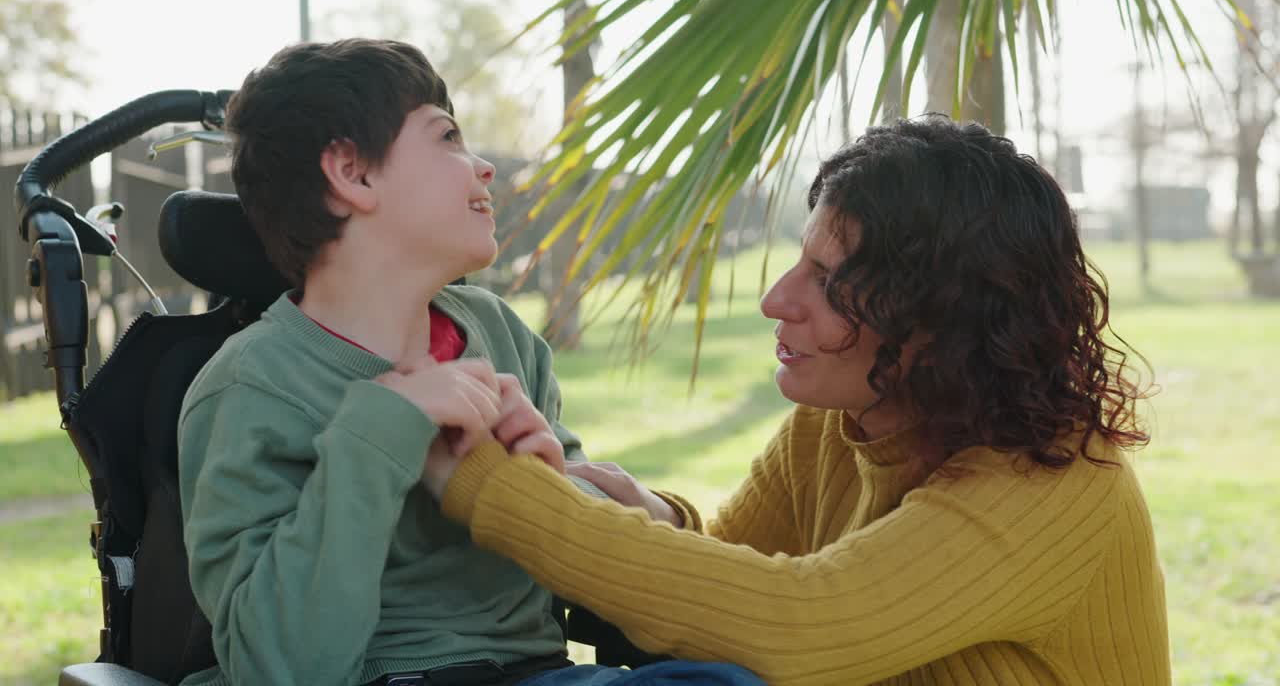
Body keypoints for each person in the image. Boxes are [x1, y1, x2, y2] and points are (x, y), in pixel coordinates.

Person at [423, 116, 1171, 685]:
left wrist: (485, 484)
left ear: (941, 323)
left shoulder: (1054, 482)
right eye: (800, 260)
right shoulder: (840, 422)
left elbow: (798, 620)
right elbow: (734, 581)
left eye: (830, 281)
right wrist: (642, 514)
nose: (778, 300)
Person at [178, 38, 762, 686]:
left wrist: (547, 486)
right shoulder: (254, 387)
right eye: (448, 138)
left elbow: (591, 552)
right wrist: (378, 434)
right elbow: (280, 668)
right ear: (353, 172)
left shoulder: (500, 336)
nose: (483, 167)